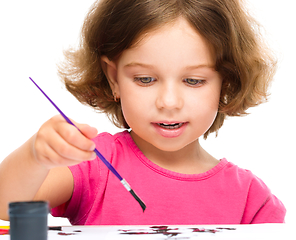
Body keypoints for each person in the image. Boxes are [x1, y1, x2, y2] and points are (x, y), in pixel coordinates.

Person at [0, 0, 286, 225]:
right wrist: (35, 157)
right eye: (145, 79)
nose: (169, 102)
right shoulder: (95, 163)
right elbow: (6, 206)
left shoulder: (251, 200)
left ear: (227, 82)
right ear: (114, 79)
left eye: (194, 81)